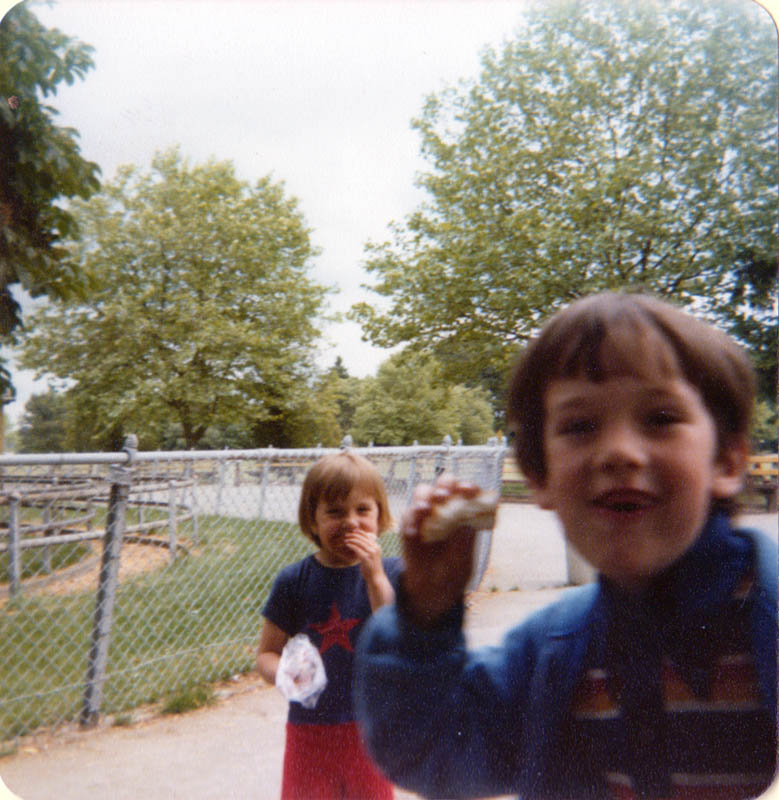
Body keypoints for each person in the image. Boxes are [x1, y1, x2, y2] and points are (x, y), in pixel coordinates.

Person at [354, 292, 777, 800]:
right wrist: (425, 616)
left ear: (727, 461)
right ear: (541, 479)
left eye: (660, 417)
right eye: (579, 426)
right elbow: (434, 754)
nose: (618, 451)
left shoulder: (766, 622)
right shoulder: (554, 652)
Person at [257, 450, 403, 800]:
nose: (351, 522)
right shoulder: (294, 580)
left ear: (380, 515)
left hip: (371, 731)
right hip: (309, 734)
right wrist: (284, 674)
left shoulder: (393, 574)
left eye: (362, 510)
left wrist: (375, 579)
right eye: (335, 512)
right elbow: (266, 653)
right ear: (313, 520)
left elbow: (395, 638)